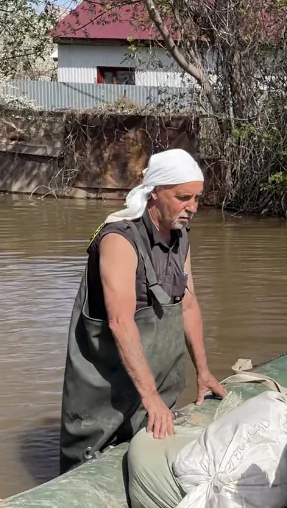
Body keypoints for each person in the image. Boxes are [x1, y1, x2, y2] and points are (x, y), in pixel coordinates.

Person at [59, 149, 226, 473]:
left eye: (196, 198)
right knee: (86, 468)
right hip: (104, 397)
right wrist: (150, 399)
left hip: (158, 387)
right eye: (183, 197)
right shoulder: (119, 239)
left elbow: (188, 304)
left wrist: (203, 372)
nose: (192, 207)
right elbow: (121, 322)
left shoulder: (180, 237)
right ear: (154, 193)